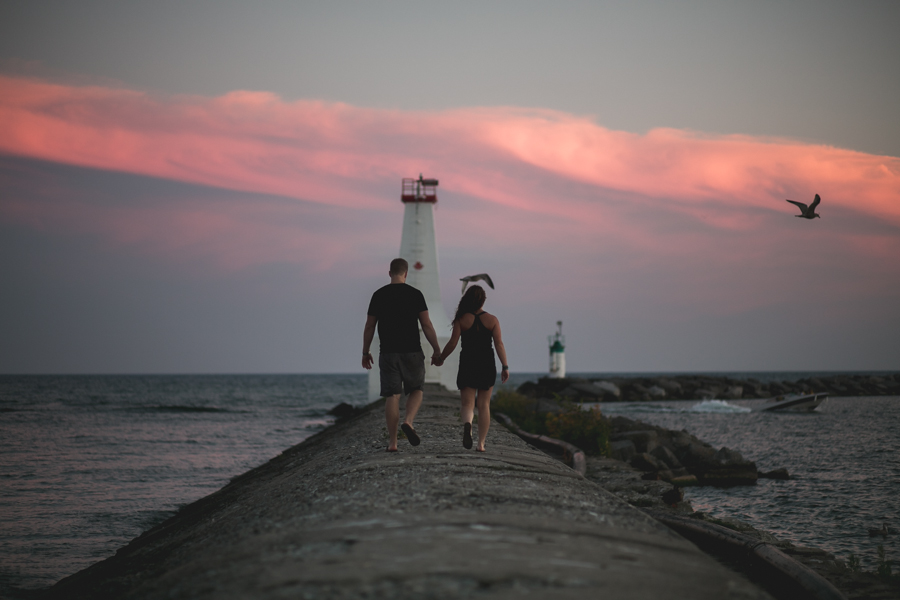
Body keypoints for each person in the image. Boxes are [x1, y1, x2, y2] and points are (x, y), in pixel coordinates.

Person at [362, 258, 442, 452]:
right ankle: (408, 421)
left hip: (388, 353)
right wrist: (437, 349)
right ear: (406, 274)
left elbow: (370, 326)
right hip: (412, 351)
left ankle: (393, 443)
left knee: (392, 395)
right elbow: (426, 325)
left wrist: (365, 352)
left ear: (389, 273)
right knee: (416, 389)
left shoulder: (378, 295)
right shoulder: (415, 294)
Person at [437, 285, 508, 452]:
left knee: (467, 404)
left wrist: (441, 358)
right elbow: (499, 344)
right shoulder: (492, 320)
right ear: (483, 300)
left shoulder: (461, 319)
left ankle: (468, 423)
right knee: (484, 405)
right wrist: (505, 366)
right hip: (486, 363)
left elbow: (453, 343)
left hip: (468, 362)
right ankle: (481, 444)